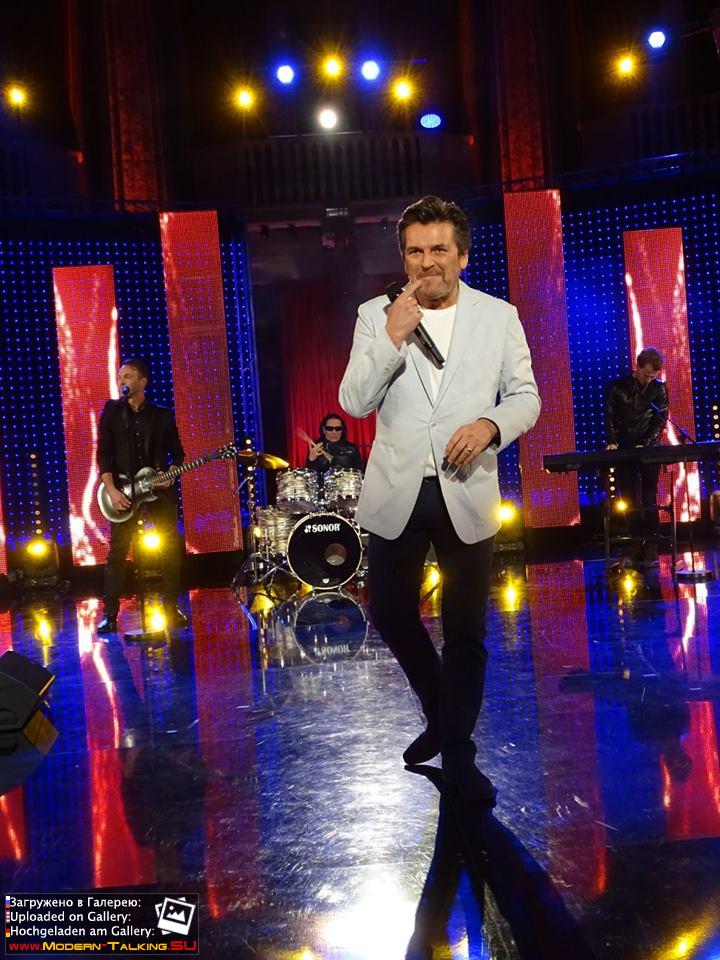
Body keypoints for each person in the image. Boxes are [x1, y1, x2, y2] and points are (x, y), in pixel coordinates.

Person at [339, 195, 540, 800]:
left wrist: (490, 425)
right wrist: (391, 338)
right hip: (397, 491)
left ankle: (459, 755)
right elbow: (353, 402)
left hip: (466, 489)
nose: (427, 262)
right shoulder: (376, 314)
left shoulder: (498, 316)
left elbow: (526, 396)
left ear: (462, 254)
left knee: (465, 633)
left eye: (439, 249)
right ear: (403, 257)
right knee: (390, 613)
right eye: (415, 251)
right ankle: (442, 713)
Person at [96, 359, 187, 634]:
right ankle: (110, 615)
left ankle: (171, 607)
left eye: (128, 376)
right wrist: (112, 491)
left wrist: (172, 472)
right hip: (124, 490)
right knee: (118, 552)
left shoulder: (162, 415)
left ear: (142, 381)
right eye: (120, 377)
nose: (122, 381)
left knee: (169, 548)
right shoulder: (112, 411)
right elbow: (104, 454)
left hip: (157, 489)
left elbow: (178, 453)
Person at [605, 348, 669, 565]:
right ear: (638, 366)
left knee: (649, 497)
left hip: (648, 448)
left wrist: (647, 442)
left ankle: (651, 546)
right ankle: (637, 543)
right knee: (629, 497)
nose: (649, 379)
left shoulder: (658, 389)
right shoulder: (617, 386)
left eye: (653, 376)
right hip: (624, 447)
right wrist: (612, 440)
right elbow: (610, 416)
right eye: (646, 374)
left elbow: (660, 419)